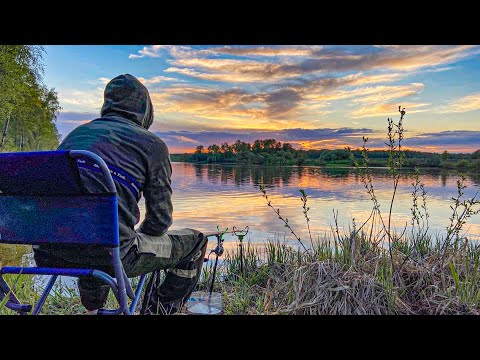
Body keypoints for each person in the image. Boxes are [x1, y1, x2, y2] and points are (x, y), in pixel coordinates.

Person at [33, 74, 207, 315]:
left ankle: (94, 308)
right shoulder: (152, 145)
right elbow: (160, 221)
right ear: (146, 110)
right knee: (196, 242)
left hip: (50, 252)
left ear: (107, 105)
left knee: (98, 234)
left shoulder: (76, 136)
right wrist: (139, 236)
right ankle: (159, 310)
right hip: (111, 254)